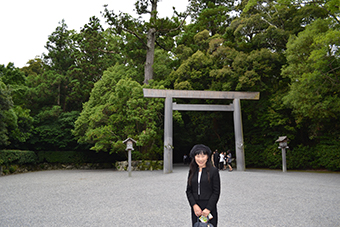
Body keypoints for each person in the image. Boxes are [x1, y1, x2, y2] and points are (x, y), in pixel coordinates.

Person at [186, 144, 221, 227]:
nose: (200, 159)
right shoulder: (192, 171)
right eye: (198, 156)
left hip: (209, 207)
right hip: (196, 209)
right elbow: (188, 190)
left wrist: (208, 208)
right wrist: (194, 205)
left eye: (203, 156)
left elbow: (216, 191)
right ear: (194, 157)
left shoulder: (213, 171)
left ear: (207, 157)